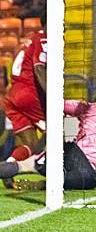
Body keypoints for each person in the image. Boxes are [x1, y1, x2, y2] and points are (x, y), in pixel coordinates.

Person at [0, 92, 96, 191]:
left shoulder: (92, 108)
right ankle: (44, 184)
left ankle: (31, 172)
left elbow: (58, 105)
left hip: (76, 157)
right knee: (60, 182)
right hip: (90, 179)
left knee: (27, 165)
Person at [2, 10, 46, 187]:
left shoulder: (26, 42)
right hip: (31, 94)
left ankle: (7, 168)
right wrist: (53, 96)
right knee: (55, 129)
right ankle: (55, 171)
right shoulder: (44, 37)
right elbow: (38, 67)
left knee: (31, 145)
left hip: (14, 95)